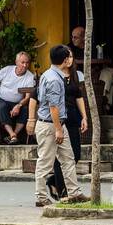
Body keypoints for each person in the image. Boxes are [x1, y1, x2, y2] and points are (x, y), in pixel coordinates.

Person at [30, 45, 87, 207]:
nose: (71, 60)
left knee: (68, 158)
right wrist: (58, 129)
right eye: (68, 57)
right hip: (50, 125)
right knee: (46, 162)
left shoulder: (49, 74)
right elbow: (53, 107)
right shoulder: (54, 79)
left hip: (57, 124)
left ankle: (74, 192)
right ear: (64, 60)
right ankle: (41, 197)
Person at [48, 52, 89, 200]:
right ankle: (62, 191)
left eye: (72, 57)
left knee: (75, 154)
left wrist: (84, 117)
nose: (70, 59)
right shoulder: (53, 76)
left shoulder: (74, 75)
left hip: (73, 116)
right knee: (63, 156)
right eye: (67, 57)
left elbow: (79, 96)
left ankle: (53, 181)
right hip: (60, 117)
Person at [0, 53, 36, 144]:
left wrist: (19, 105)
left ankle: (13, 135)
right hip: (2, 99)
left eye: (27, 63)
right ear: (16, 62)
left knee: (24, 109)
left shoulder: (30, 76)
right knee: (2, 106)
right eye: (22, 62)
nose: (25, 65)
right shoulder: (8, 70)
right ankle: (12, 135)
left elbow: (28, 96)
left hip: (17, 102)